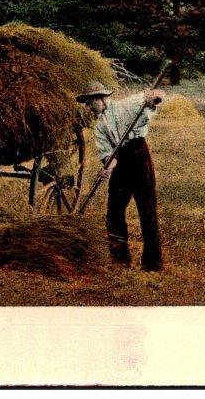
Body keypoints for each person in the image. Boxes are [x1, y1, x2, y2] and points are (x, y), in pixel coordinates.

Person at [76, 81, 165, 271]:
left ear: (100, 98)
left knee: (146, 210)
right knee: (113, 213)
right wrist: (107, 167)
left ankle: (152, 263)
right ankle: (120, 260)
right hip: (121, 161)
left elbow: (156, 97)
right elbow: (107, 153)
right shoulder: (100, 125)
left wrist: (154, 97)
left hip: (138, 154)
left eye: (89, 102)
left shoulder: (128, 104)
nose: (88, 106)